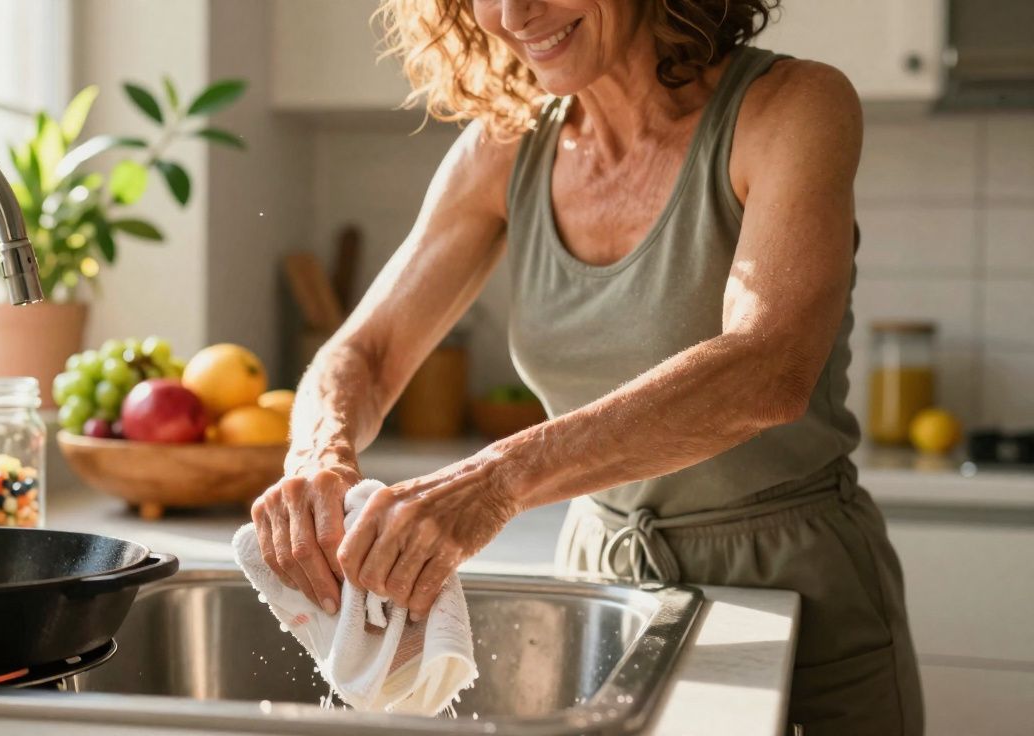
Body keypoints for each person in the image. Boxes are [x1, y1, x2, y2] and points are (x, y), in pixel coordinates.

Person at [249, 1, 923, 733]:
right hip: (604, 578)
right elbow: (365, 352)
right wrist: (318, 456)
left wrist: (495, 482)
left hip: (796, 580)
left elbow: (768, 367)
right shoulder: (506, 146)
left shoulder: (792, 107)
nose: (512, 14)